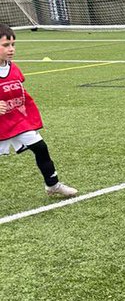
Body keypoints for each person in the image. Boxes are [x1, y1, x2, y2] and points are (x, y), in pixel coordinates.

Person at [0, 25, 78, 199]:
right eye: (6, 45)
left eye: (13, 44)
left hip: (16, 121)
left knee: (40, 147)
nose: (11, 49)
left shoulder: (13, 68)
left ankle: (53, 185)